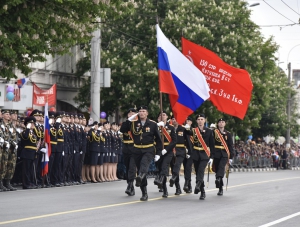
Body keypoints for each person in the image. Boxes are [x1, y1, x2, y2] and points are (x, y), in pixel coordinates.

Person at [120, 106, 162, 201]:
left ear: (147, 113)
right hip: (137, 149)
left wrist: (158, 153)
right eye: (140, 111)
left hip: (148, 149)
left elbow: (159, 140)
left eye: (143, 111)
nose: (141, 113)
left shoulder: (152, 124)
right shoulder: (134, 124)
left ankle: (141, 176)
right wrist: (128, 120)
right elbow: (122, 130)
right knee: (140, 170)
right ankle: (144, 193)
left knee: (144, 165)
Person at [185, 114, 215, 200]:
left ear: (204, 121)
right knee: (198, 172)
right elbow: (187, 133)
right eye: (198, 119)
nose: (200, 121)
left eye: (202, 119)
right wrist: (186, 127)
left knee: (201, 170)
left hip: (204, 154)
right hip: (195, 154)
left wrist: (212, 157)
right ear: (197, 121)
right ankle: (202, 191)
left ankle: (198, 184)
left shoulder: (209, 131)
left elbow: (212, 145)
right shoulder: (194, 130)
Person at [155, 111, 176, 198]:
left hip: (168, 151)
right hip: (159, 151)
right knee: (160, 168)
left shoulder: (171, 127)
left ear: (167, 117)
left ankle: (160, 180)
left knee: (164, 166)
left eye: (164, 115)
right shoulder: (156, 127)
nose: (162, 116)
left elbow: (174, 141)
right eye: (160, 115)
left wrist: (166, 149)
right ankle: (164, 189)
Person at [169, 116, 191, 196]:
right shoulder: (169, 129)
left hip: (182, 150)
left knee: (185, 169)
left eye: (176, 119)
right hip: (172, 150)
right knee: (174, 167)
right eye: (173, 119)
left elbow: (188, 140)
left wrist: (189, 151)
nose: (174, 120)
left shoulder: (183, 128)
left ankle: (188, 185)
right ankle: (177, 188)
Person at [213, 118, 235, 196]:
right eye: (220, 122)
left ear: (225, 124)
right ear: (218, 124)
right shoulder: (214, 132)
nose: (221, 123)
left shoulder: (228, 134)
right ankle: (220, 187)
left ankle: (218, 179)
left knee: (221, 167)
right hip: (216, 153)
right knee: (217, 170)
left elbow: (230, 146)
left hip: (224, 154)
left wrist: (231, 157)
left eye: (223, 122)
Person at [120, 108, 137, 196]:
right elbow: (122, 130)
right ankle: (131, 187)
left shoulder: (138, 123)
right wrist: (129, 121)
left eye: (133, 113)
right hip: (126, 147)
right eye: (129, 113)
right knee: (127, 167)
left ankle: (129, 185)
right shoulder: (126, 123)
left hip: (134, 147)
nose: (131, 115)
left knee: (131, 168)